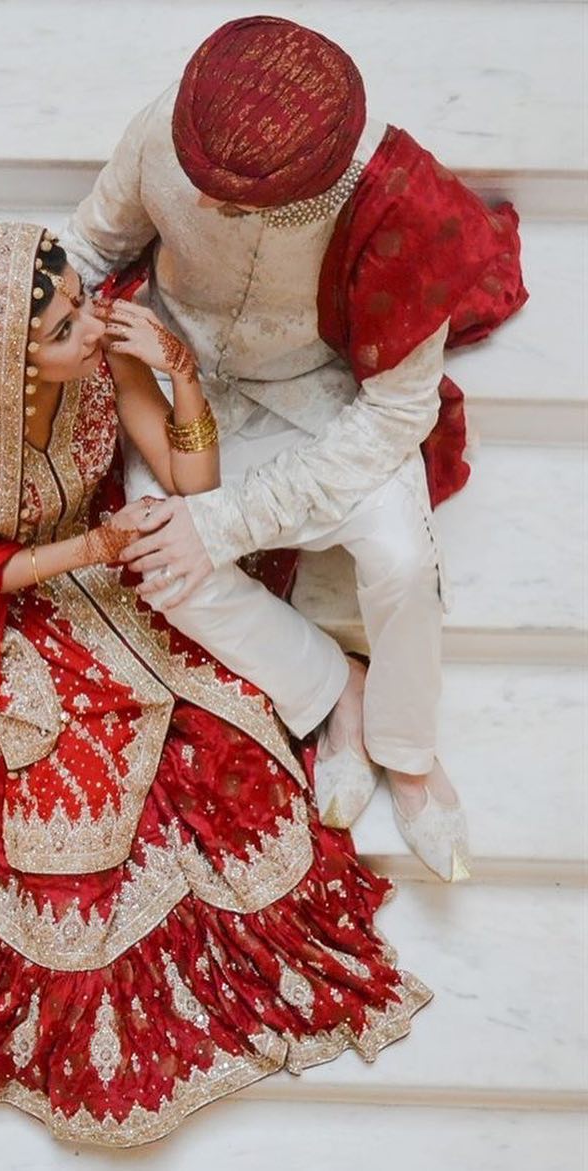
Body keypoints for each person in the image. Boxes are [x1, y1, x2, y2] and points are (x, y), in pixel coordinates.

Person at [0, 211, 431, 1147]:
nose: (90, 320)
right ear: (9, 364)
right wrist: (87, 549)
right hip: (20, 596)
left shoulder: (101, 349)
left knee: (216, 739)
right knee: (68, 805)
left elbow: (191, 485)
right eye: (63, 323)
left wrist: (180, 376)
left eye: (77, 296)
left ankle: (325, 688)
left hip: (110, 562)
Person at [62, 15, 528, 883]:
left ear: (312, 191)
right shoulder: (172, 127)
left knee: (400, 560)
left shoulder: (394, 202)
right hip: (178, 373)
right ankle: (332, 690)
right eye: (198, 180)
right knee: (154, 559)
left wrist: (226, 522)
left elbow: (395, 414)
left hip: (322, 388)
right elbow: (93, 244)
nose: (204, 205)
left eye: (236, 203)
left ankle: (409, 753)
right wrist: (33, 314)